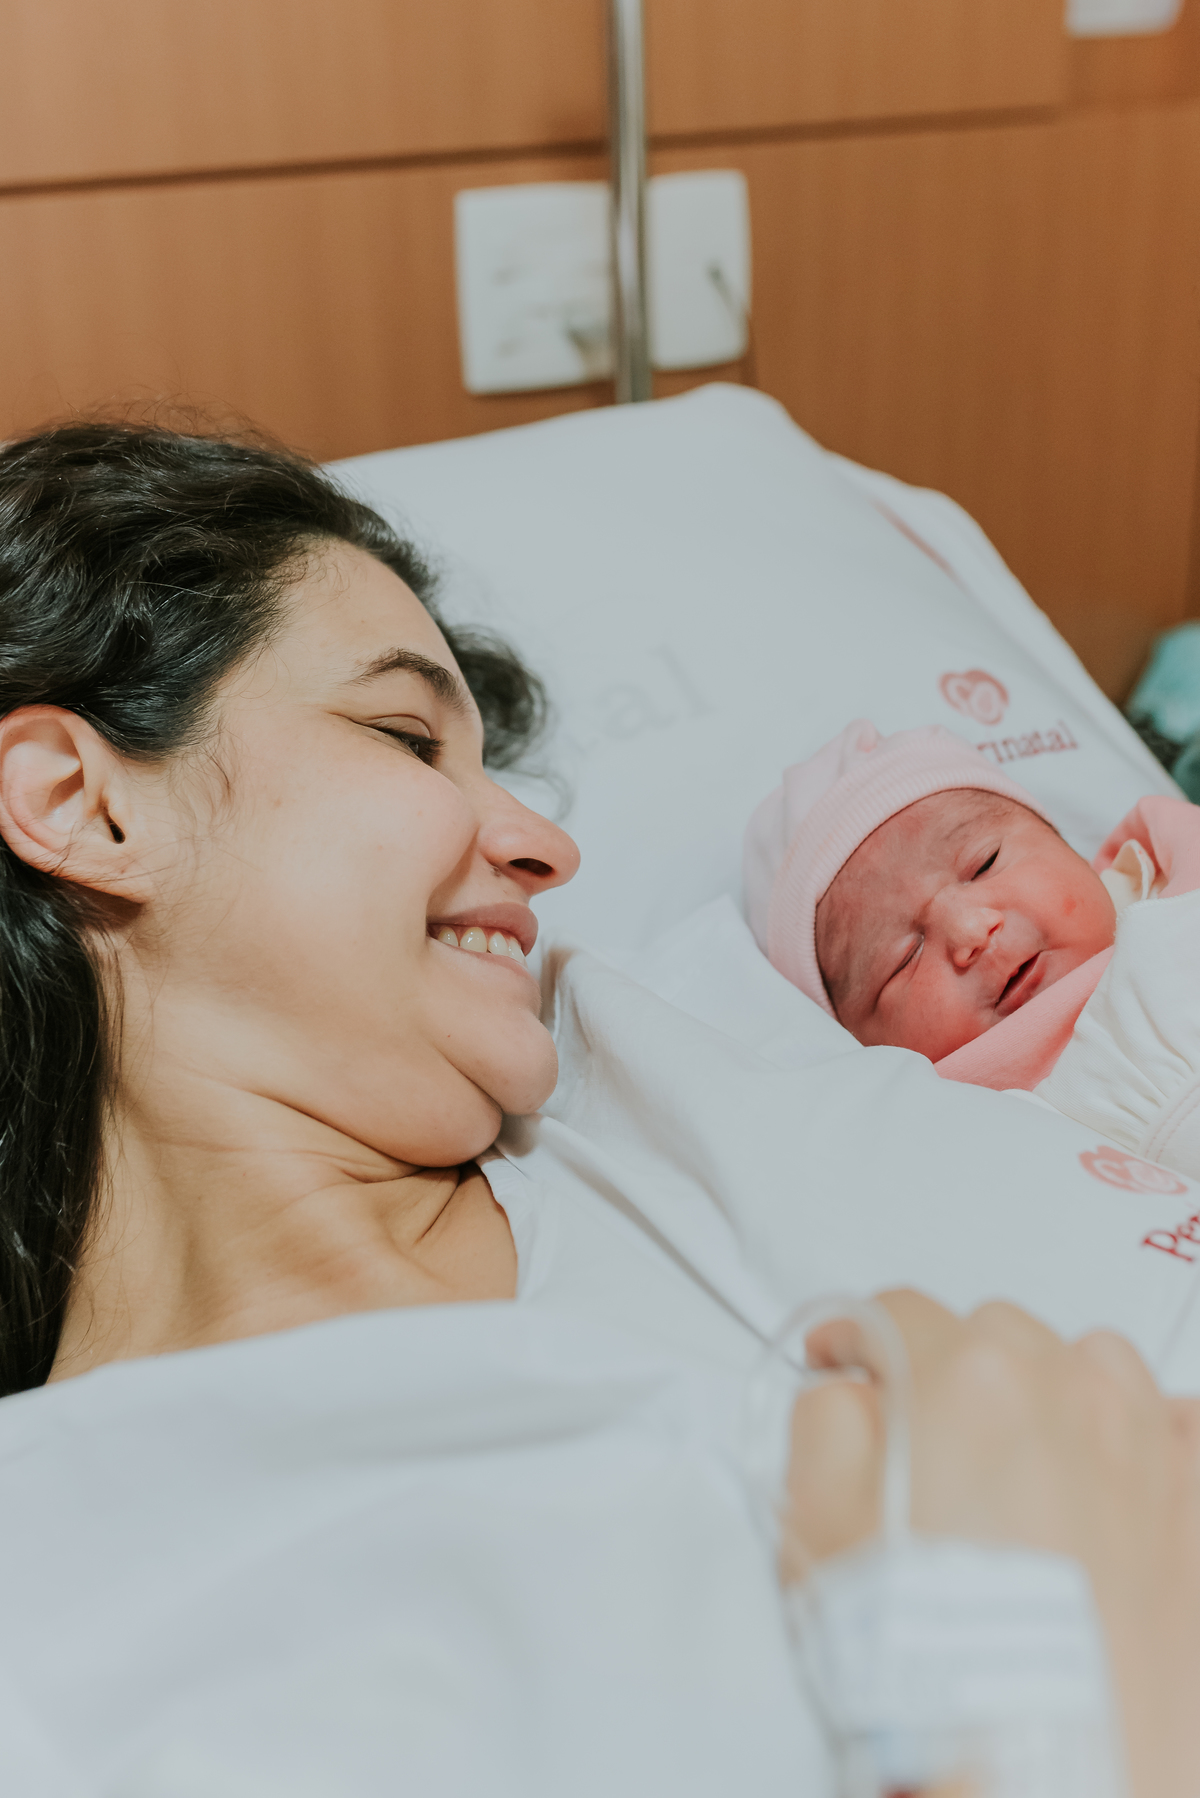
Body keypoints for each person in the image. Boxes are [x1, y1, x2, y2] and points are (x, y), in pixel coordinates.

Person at [0, 422, 1196, 1797]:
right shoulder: (49, 1618)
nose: (549, 848)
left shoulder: (664, 1072)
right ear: (82, 806)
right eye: (404, 734)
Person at [744, 717, 1200, 1179]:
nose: (970, 932)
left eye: (984, 864)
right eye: (903, 958)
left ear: (1068, 848)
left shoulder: (1180, 893)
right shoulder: (964, 1139)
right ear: (867, 1045)